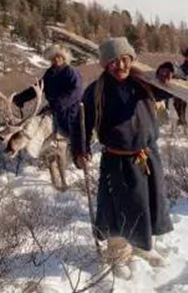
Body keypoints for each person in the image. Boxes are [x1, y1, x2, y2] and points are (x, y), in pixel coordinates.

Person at [73, 37, 173, 276]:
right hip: (117, 160)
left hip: (147, 156)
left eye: (125, 59)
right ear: (105, 64)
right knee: (117, 207)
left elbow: (168, 84)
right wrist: (80, 149)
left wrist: (167, 68)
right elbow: (82, 123)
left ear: (131, 59)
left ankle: (143, 247)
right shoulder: (96, 91)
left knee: (148, 201)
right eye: (114, 62)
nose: (120, 66)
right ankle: (118, 253)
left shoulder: (143, 83)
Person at [13, 44, 84, 147]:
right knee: (33, 123)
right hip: (52, 108)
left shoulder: (71, 72)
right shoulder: (50, 73)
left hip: (69, 110)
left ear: (63, 58)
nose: (56, 59)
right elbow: (38, 88)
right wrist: (21, 98)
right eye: (53, 57)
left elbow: (77, 91)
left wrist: (60, 103)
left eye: (58, 57)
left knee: (57, 129)